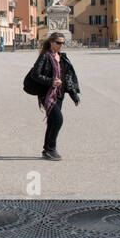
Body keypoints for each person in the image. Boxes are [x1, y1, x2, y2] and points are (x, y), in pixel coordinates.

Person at [26, 33, 80, 161]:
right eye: (58, 43)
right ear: (51, 42)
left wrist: (74, 95)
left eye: (63, 43)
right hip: (47, 94)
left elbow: (67, 77)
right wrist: (51, 82)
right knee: (58, 120)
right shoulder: (45, 56)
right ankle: (51, 148)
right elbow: (35, 74)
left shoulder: (62, 57)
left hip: (59, 94)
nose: (61, 45)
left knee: (52, 121)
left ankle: (47, 150)